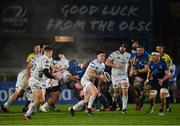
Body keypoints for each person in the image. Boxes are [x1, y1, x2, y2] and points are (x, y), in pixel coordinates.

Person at [23, 46, 58, 120]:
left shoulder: (40, 57)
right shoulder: (46, 59)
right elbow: (45, 72)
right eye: (51, 52)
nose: (51, 54)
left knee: (40, 100)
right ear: (49, 52)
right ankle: (27, 113)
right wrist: (54, 77)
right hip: (36, 80)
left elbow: (32, 67)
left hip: (35, 80)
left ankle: (28, 112)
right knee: (39, 100)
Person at [68, 50, 106, 116]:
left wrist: (99, 86)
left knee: (86, 100)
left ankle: (73, 109)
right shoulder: (93, 63)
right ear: (97, 56)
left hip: (90, 82)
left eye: (104, 56)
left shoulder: (103, 65)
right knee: (94, 93)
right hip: (85, 80)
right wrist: (99, 76)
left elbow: (100, 76)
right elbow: (89, 73)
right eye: (101, 56)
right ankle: (88, 110)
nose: (103, 57)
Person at [105, 43, 131, 113]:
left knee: (125, 91)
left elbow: (130, 63)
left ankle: (124, 109)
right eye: (121, 47)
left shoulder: (128, 55)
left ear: (125, 48)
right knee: (116, 92)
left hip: (124, 76)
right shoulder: (113, 54)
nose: (122, 48)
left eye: (124, 47)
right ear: (119, 47)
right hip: (115, 76)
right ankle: (114, 103)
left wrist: (131, 70)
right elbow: (107, 62)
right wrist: (115, 65)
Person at [129, 45, 149, 110]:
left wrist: (137, 71)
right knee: (136, 87)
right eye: (137, 50)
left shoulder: (146, 56)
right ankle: (138, 103)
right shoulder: (135, 55)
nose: (138, 52)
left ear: (143, 50)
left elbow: (147, 69)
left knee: (145, 92)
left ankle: (141, 104)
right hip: (140, 74)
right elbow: (133, 64)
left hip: (148, 75)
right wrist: (131, 71)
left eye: (140, 50)